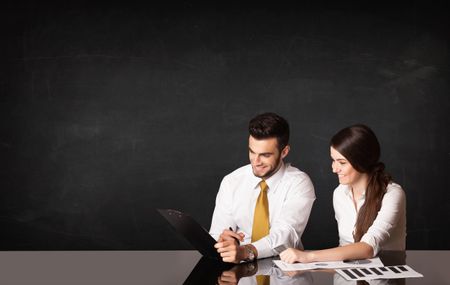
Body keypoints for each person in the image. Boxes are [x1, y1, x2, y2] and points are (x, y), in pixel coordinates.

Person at [280, 124, 406, 264]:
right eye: (333, 160)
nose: (334, 169)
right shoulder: (339, 193)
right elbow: (344, 248)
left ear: (362, 161)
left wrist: (307, 256)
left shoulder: (392, 194)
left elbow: (368, 248)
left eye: (341, 162)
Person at [210, 112, 316, 263]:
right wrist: (223, 241)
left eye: (265, 155)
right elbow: (216, 235)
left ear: (284, 152)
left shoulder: (299, 183)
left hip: (285, 270)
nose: (256, 161)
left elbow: (286, 235)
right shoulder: (232, 181)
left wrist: (246, 251)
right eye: (252, 152)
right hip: (239, 271)